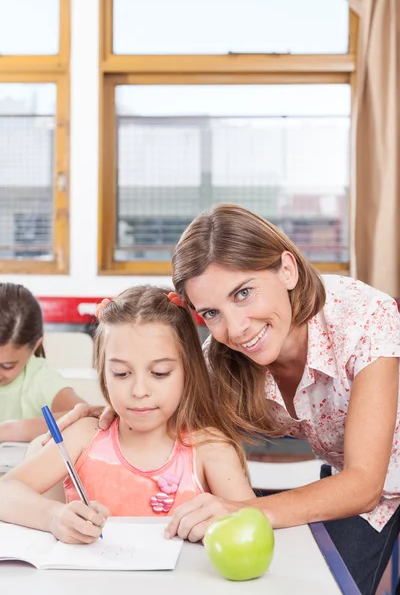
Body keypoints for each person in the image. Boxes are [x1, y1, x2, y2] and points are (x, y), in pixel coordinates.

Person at [53, 204, 400, 595]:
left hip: (368, 483)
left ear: (287, 269)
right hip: (354, 484)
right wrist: (118, 411)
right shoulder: (218, 362)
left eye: (244, 293)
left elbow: (365, 483)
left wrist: (244, 510)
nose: (235, 329)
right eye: (212, 313)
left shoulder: (365, 318)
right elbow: (161, 398)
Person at [0, 285, 254, 544]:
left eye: (160, 373)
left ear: (188, 371)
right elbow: (5, 491)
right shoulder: (84, 437)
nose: (139, 390)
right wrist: (52, 516)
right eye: (121, 373)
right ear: (103, 373)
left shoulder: (210, 449)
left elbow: (255, 523)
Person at [0, 283, 85, 443]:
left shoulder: (40, 379)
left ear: (35, 346)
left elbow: (87, 416)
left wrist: (8, 430)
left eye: (7, 366)